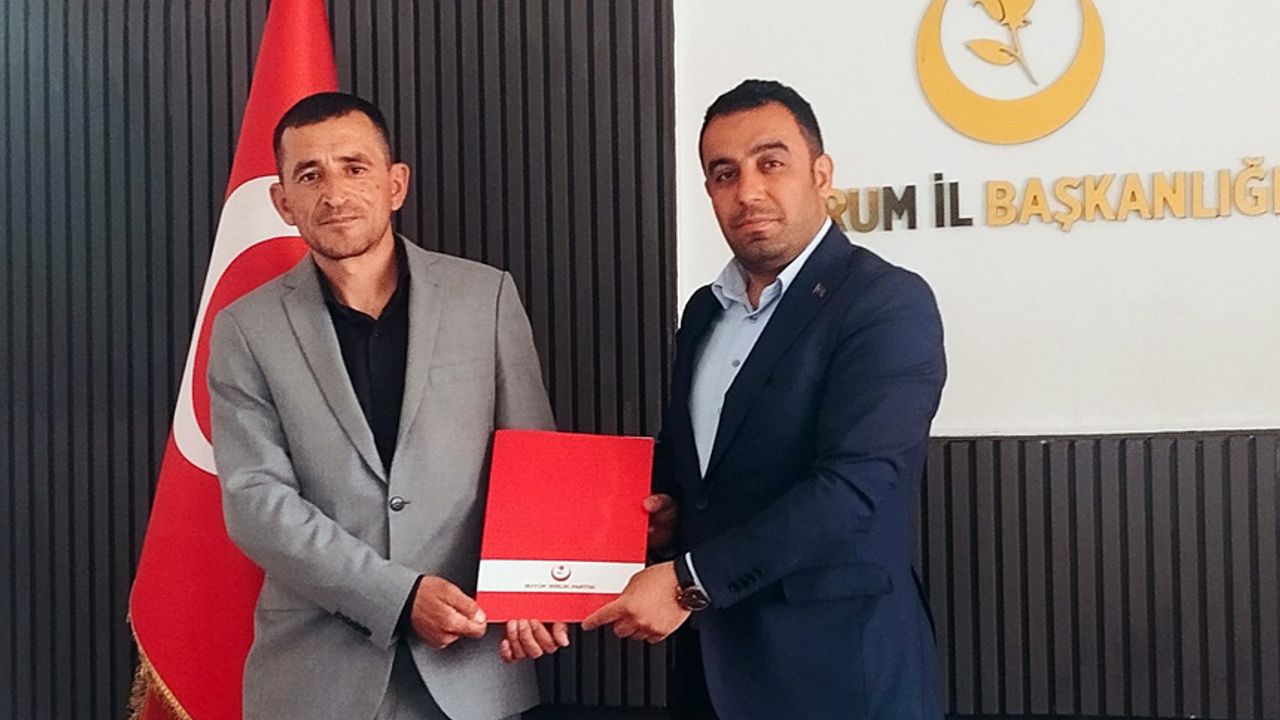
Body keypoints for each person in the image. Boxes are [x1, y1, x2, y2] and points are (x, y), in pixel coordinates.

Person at [583, 79, 947, 719]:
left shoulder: (885, 302)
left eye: (770, 163)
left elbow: (853, 488)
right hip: (711, 673)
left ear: (821, 173)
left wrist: (688, 582)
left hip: (838, 674)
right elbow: (704, 473)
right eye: (725, 173)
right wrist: (665, 517)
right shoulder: (705, 312)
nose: (748, 191)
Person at [208, 92, 568, 720]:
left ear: (395, 184)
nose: (334, 193)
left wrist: (535, 596)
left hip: (472, 667)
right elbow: (256, 503)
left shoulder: (484, 296)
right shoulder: (245, 328)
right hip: (314, 681)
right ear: (283, 202)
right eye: (309, 175)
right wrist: (398, 598)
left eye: (355, 167)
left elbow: (533, 461)